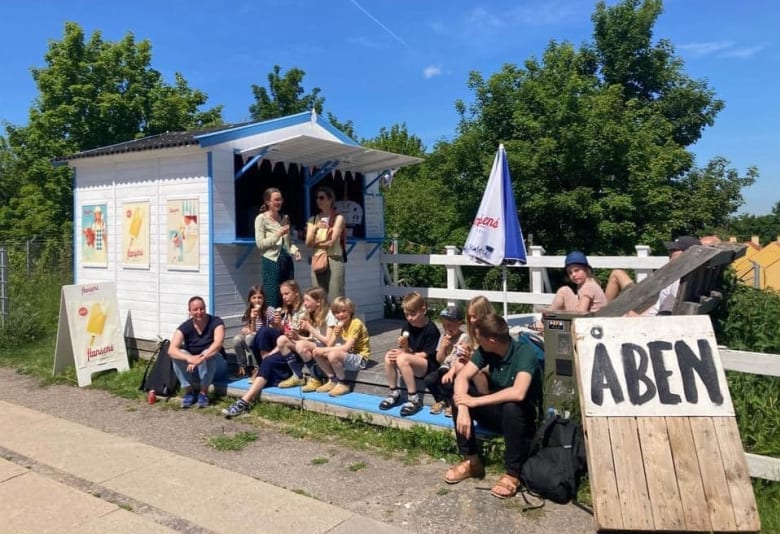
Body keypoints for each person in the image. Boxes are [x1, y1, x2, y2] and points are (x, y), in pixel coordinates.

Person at [444, 314, 542, 500]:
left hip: (524, 417)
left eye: (479, 338)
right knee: (459, 396)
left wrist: (475, 401)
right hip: (499, 412)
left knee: (511, 406)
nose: (476, 342)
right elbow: (463, 377)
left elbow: (518, 392)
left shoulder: (524, 352)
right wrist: (464, 406)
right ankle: (471, 461)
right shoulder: (486, 350)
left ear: (492, 340)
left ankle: (513, 474)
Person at [221, 282, 305, 418]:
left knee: (265, 341)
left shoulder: (301, 311)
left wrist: (278, 325)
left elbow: (290, 336)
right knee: (262, 336)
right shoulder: (287, 310)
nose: (283, 297)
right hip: (283, 344)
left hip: (294, 348)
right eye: (282, 294)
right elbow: (283, 332)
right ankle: (245, 398)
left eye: (286, 294)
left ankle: (244, 401)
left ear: (296, 292)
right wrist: (277, 324)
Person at [378, 291, 441, 416]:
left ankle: (414, 399)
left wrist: (403, 354)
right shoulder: (407, 325)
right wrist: (404, 347)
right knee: (389, 356)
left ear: (423, 310)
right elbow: (408, 352)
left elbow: (423, 355)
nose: (410, 318)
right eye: (407, 315)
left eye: (413, 314)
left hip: (428, 367)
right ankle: (394, 392)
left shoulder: (431, 329)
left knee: (402, 359)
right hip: (412, 361)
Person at [168, 296, 226, 408]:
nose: (199, 312)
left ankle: (203, 393)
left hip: (217, 367)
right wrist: (190, 359)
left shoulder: (216, 322)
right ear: (189, 312)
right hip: (195, 367)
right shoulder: (185, 327)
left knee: (208, 352)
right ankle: (189, 392)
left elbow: (218, 343)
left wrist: (201, 358)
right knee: (177, 354)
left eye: (202, 308)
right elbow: (171, 350)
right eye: (195, 309)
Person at [275, 286, 336, 389]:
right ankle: (298, 376)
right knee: (282, 340)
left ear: (318, 302)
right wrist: (297, 336)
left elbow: (328, 341)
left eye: (307, 300)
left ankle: (315, 378)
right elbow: (312, 339)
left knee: (300, 345)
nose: (305, 303)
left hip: (329, 347)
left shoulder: (329, 315)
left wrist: (310, 328)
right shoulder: (313, 314)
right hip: (317, 345)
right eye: (305, 300)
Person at [311, 296, 371, 397]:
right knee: (316, 352)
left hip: (360, 359)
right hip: (348, 356)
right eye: (337, 313)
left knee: (333, 355)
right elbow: (329, 344)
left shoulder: (356, 323)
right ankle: (332, 380)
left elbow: (345, 348)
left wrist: (325, 350)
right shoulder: (339, 324)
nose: (341, 315)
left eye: (344, 311)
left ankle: (343, 383)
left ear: (351, 310)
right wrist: (336, 333)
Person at [255, 188, 301, 308]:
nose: (279, 202)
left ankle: (288, 324)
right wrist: (278, 234)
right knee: (272, 296)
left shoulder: (284, 218)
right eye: (276, 199)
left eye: (280, 199)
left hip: (286, 260)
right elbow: (260, 244)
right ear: (267, 201)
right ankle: (272, 324)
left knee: (289, 296)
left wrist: (295, 251)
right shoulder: (261, 219)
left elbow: (288, 243)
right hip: (271, 261)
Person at [424, 306, 469, 416]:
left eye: (450, 325)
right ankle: (442, 401)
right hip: (444, 367)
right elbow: (439, 359)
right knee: (429, 380)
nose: (447, 328)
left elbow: (460, 359)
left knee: (447, 382)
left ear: (459, 323)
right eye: (444, 325)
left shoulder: (464, 337)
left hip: (456, 369)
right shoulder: (443, 337)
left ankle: (451, 404)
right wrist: (443, 347)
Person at [305, 186, 346, 300]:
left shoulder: (338, 218)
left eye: (322, 198)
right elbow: (308, 243)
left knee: (335, 296)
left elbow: (331, 242)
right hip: (318, 260)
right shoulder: (313, 220)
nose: (318, 201)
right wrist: (315, 228)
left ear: (330, 199)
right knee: (318, 297)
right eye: (317, 198)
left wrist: (315, 242)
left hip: (334, 259)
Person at [231, 285, 274, 377]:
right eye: (254, 297)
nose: (257, 300)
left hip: (265, 341)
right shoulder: (250, 311)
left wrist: (252, 327)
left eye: (259, 297)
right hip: (253, 337)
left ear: (264, 299)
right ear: (250, 299)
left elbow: (269, 331)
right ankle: (242, 367)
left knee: (250, 338)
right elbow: (251, 330)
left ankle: (257, 367)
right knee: (237, 339)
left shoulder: (269, 311)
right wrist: (248, 326)